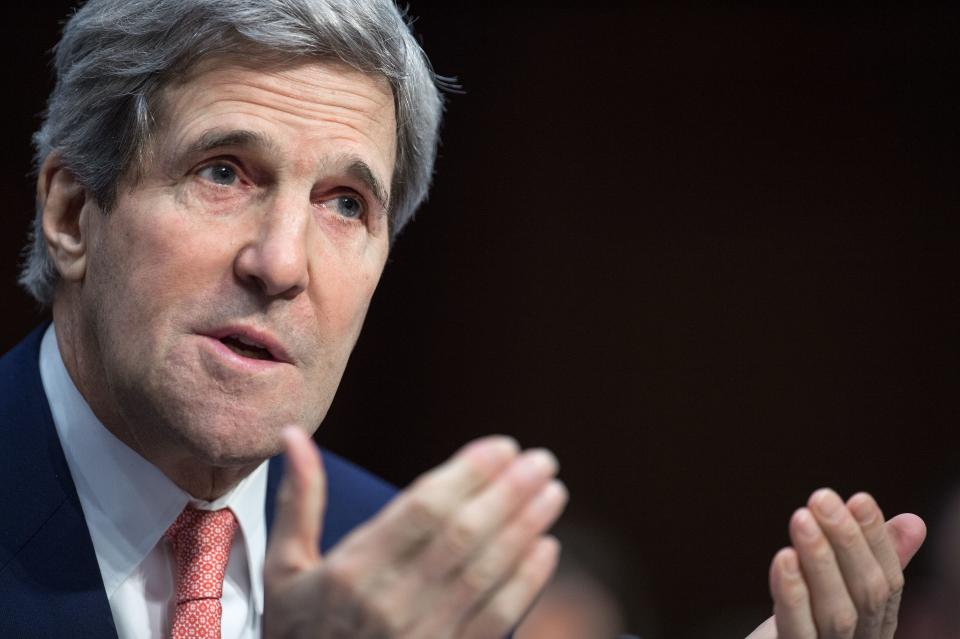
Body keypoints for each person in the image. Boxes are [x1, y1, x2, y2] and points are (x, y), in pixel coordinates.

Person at [0, 1, 926, 638]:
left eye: (345, 204)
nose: (281, 263)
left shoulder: (419, 573)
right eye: (224, 172)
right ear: (75, 213)